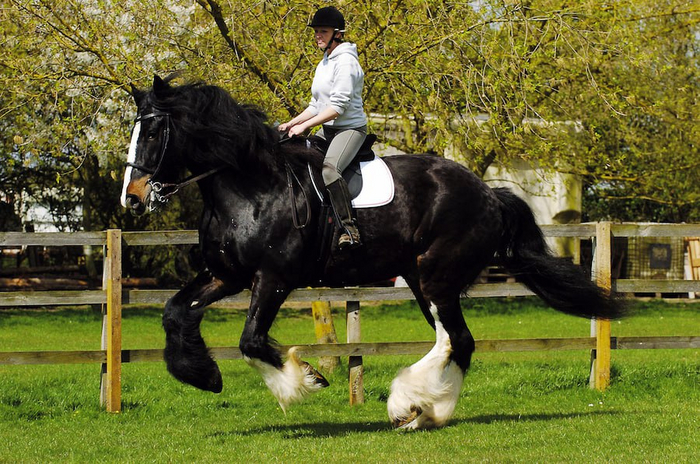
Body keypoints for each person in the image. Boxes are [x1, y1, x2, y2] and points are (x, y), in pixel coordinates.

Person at [278, 6, 366, 249]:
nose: (318, 35)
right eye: (316, 31)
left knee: (329, 170)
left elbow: (337, 107)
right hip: (327, 129)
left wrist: (305, 126)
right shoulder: (325, 62)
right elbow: (316, 104)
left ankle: (349, 228)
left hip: (349, 130)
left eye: (323, 31)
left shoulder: (346, 62)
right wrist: (292, 122)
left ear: (337, 34)